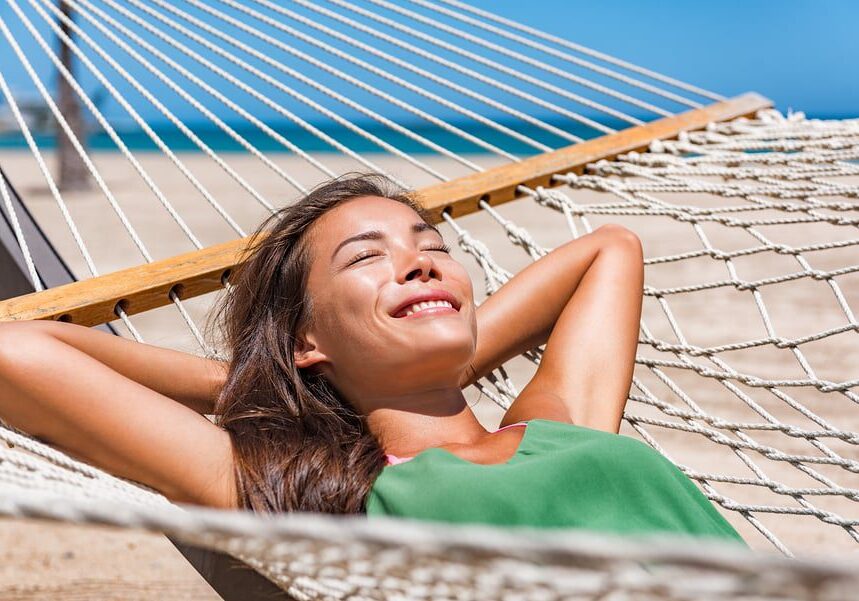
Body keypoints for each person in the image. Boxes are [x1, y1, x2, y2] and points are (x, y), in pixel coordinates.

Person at [0, 173, 744, 545]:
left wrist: (422, 344)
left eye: (432, 251)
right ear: (307, 339)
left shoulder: (562, 425)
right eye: (368, 257)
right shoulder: (317, 491)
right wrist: (260, 381)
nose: (421, 266)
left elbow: (607, 249)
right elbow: (13, 352)